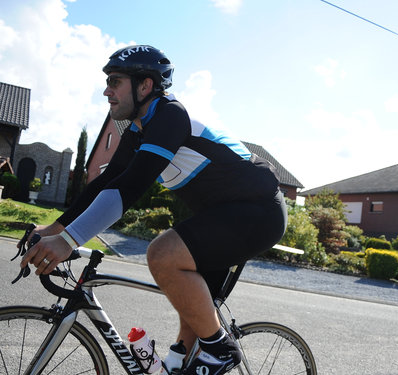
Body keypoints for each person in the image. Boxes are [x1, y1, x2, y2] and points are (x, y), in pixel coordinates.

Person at [20, 45, 287, 375]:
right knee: (190, 318)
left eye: (115, 82)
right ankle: (184, 361)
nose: (107, 91)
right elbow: (105, 183)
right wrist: (55, 230)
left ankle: (220, 350)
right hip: (221, 216)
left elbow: (131, 186)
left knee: (161, 254)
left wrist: (69, 240)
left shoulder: (170, 116)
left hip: (258, 213)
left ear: (144, 86)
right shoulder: (138, 129)